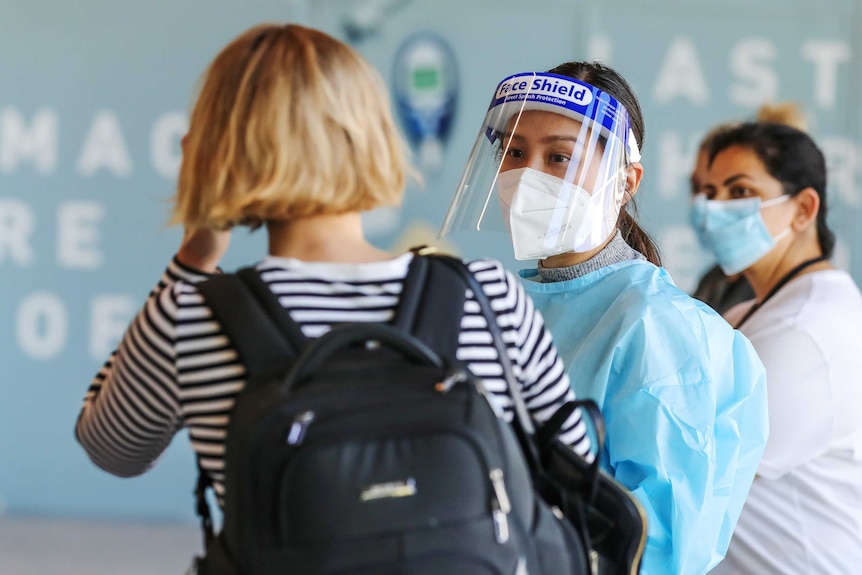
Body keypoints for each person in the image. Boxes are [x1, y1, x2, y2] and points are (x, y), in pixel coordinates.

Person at [75, 22, 592, 536]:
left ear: (213, 152)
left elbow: (112, 449)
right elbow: (577, 471)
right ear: (372, 137)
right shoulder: (489, 296)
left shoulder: (190, 316)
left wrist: (195, 254)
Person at [439, 61, 769, 575]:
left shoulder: (656, 325)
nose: (529, 176)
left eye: (560, 157)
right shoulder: (507, 303)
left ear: (625, 180)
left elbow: (659, 546)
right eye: (515, 152)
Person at [695, 122, 862, 574]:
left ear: (804, 208)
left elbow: (689, 467)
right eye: (708, 192)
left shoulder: (805, 331)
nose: (713, 209)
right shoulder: (753, 312)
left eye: (739, 191)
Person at [690, 102, 808, 314]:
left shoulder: (788, 295)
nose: (711, 205)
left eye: (739, 191)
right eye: (707, 191)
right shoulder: (714, 281)